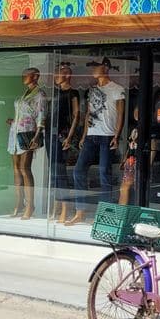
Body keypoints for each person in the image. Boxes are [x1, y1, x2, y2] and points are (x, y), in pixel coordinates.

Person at [66, 58, 126, 226]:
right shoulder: (92, 90)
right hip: (92, 135)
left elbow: (121, 114)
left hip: (107, 136)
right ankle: (80, 211)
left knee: (104, 174)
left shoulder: (117, 89)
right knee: (78, 171)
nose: (93, 70)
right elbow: (88, 114)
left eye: (96, 67)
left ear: (105, 67)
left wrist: (117, 134)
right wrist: (84, 135)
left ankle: (105, 214)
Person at [6, 67, 47, 220]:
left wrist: (36, 137)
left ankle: (30, 205)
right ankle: (19, 203)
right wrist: (13, 121)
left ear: (35, 76)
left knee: (25, 169)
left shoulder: (40, 94)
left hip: (27, 134)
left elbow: (41, 117)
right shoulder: (25, 93)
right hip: (15, 132)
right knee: (16, 169)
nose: (24, 76)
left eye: (27, 74)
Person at [49, 63, 80, 224]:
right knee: (53, 172)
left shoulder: (72, 93)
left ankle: (65, 209)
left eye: (59, 73)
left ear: (67, 75)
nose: (56, 76)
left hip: (63, 135)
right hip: (51, 134)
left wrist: (70, 136)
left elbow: (76, 115)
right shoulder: (55, 93)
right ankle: (56, 208)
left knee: (61, 173)